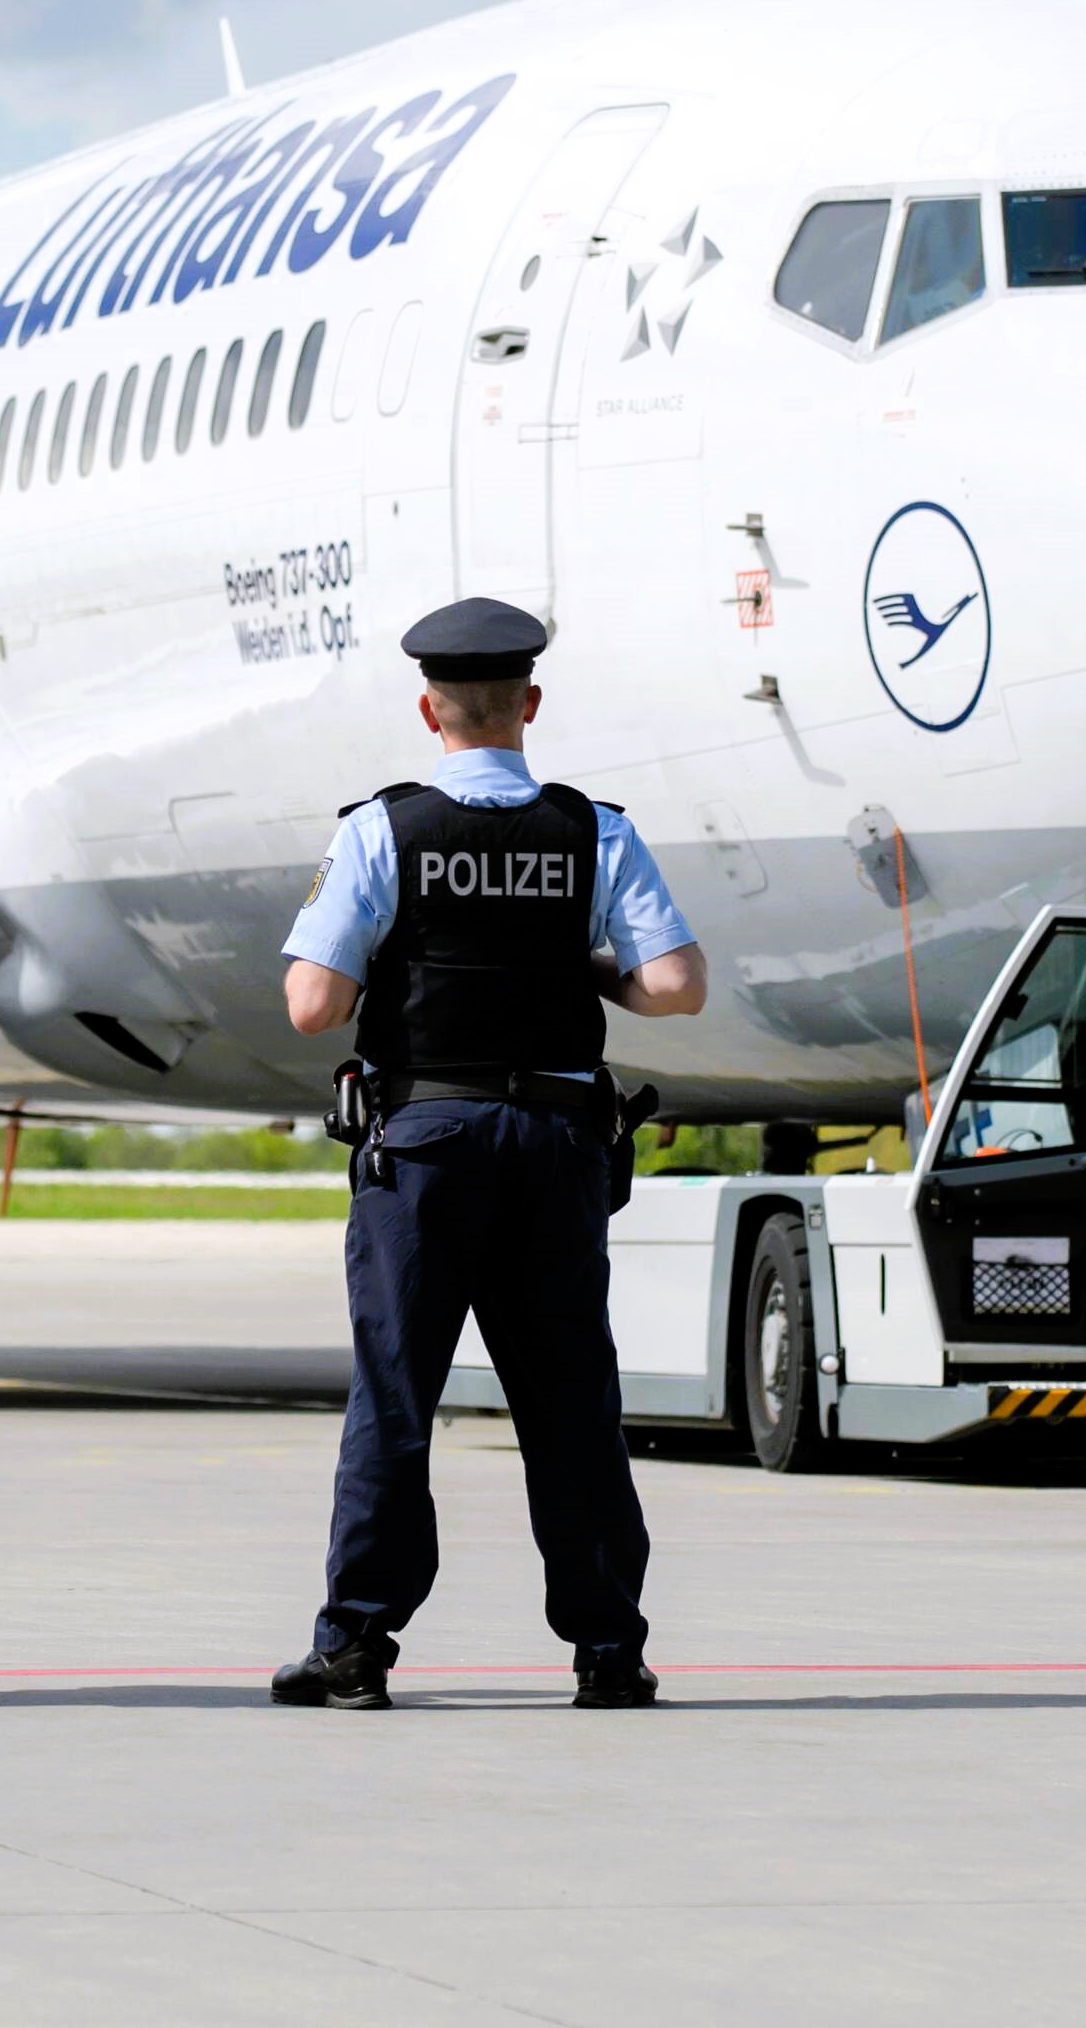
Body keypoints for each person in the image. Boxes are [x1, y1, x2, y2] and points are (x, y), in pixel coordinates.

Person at [269, 596, 709, 1713]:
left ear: (431, 708)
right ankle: (608, 1646)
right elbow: (675, 984)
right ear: (531, 703)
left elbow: (313, 1005)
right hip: (557, 1143)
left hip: (426, 1148)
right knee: (570, 1398)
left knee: (397, 1399)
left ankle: (358, 1646)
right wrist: (584, 972)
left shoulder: (383, 829)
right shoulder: (593, 829)